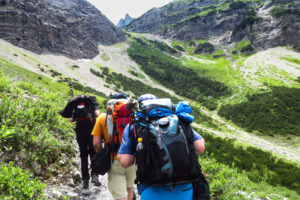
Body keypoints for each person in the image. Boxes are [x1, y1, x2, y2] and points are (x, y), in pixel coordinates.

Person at [117, 94, 208, 200]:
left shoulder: (135, 125)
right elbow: (200, 148)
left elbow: (125, 161)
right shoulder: (179, 120)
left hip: (151, 188)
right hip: (185, 186)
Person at [92, 94, 136, 200]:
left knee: (120, 196)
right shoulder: (134, 116)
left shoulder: (102, 117)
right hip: (133, 160)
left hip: (114, 160)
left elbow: (96, 143)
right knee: (129, 188)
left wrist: (103, 155)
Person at [62, 95, 101, 189]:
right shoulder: (90, 103)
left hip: (80, 131)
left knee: (83, 155)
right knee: (93, 153)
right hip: (91, 130)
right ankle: (94, 175)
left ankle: (85, 180)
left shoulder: (75, 105)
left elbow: (71, 120)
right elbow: (97, 114)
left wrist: (76, 115)